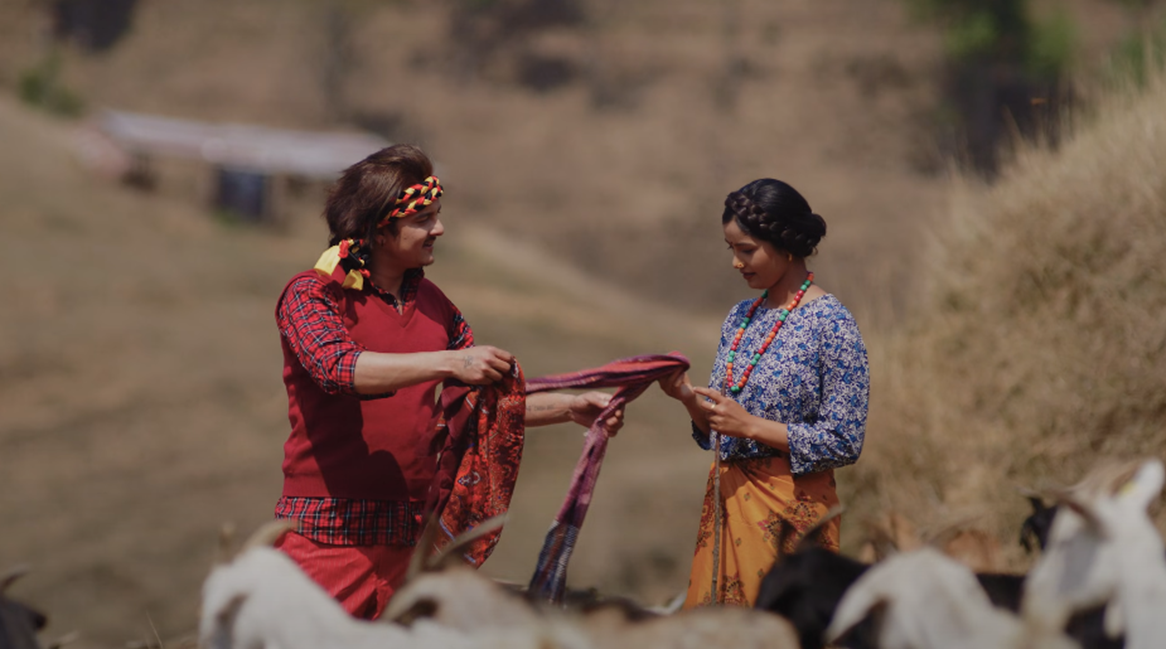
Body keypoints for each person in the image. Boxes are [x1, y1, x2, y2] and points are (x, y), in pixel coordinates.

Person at [272, 144, 624, 619]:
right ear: (379, 228)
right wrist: (450, 363)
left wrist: (568, 407)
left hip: (412, 544)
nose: (438, 229)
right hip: (325, 540)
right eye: (423, 219)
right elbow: (340, 369)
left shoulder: (438, 307)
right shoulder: (312, 294)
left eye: (437, 216)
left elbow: (473, 410)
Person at [659, 178, 869, 608]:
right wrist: (687, 398)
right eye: (731, 249)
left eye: (747, 250)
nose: (736, 262)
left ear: (786, 245)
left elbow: (844, 439)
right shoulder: (740, 318)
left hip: (790, 520)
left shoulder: (832, 324)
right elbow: (722, 427)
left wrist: (751, 426)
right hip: (727, 503)